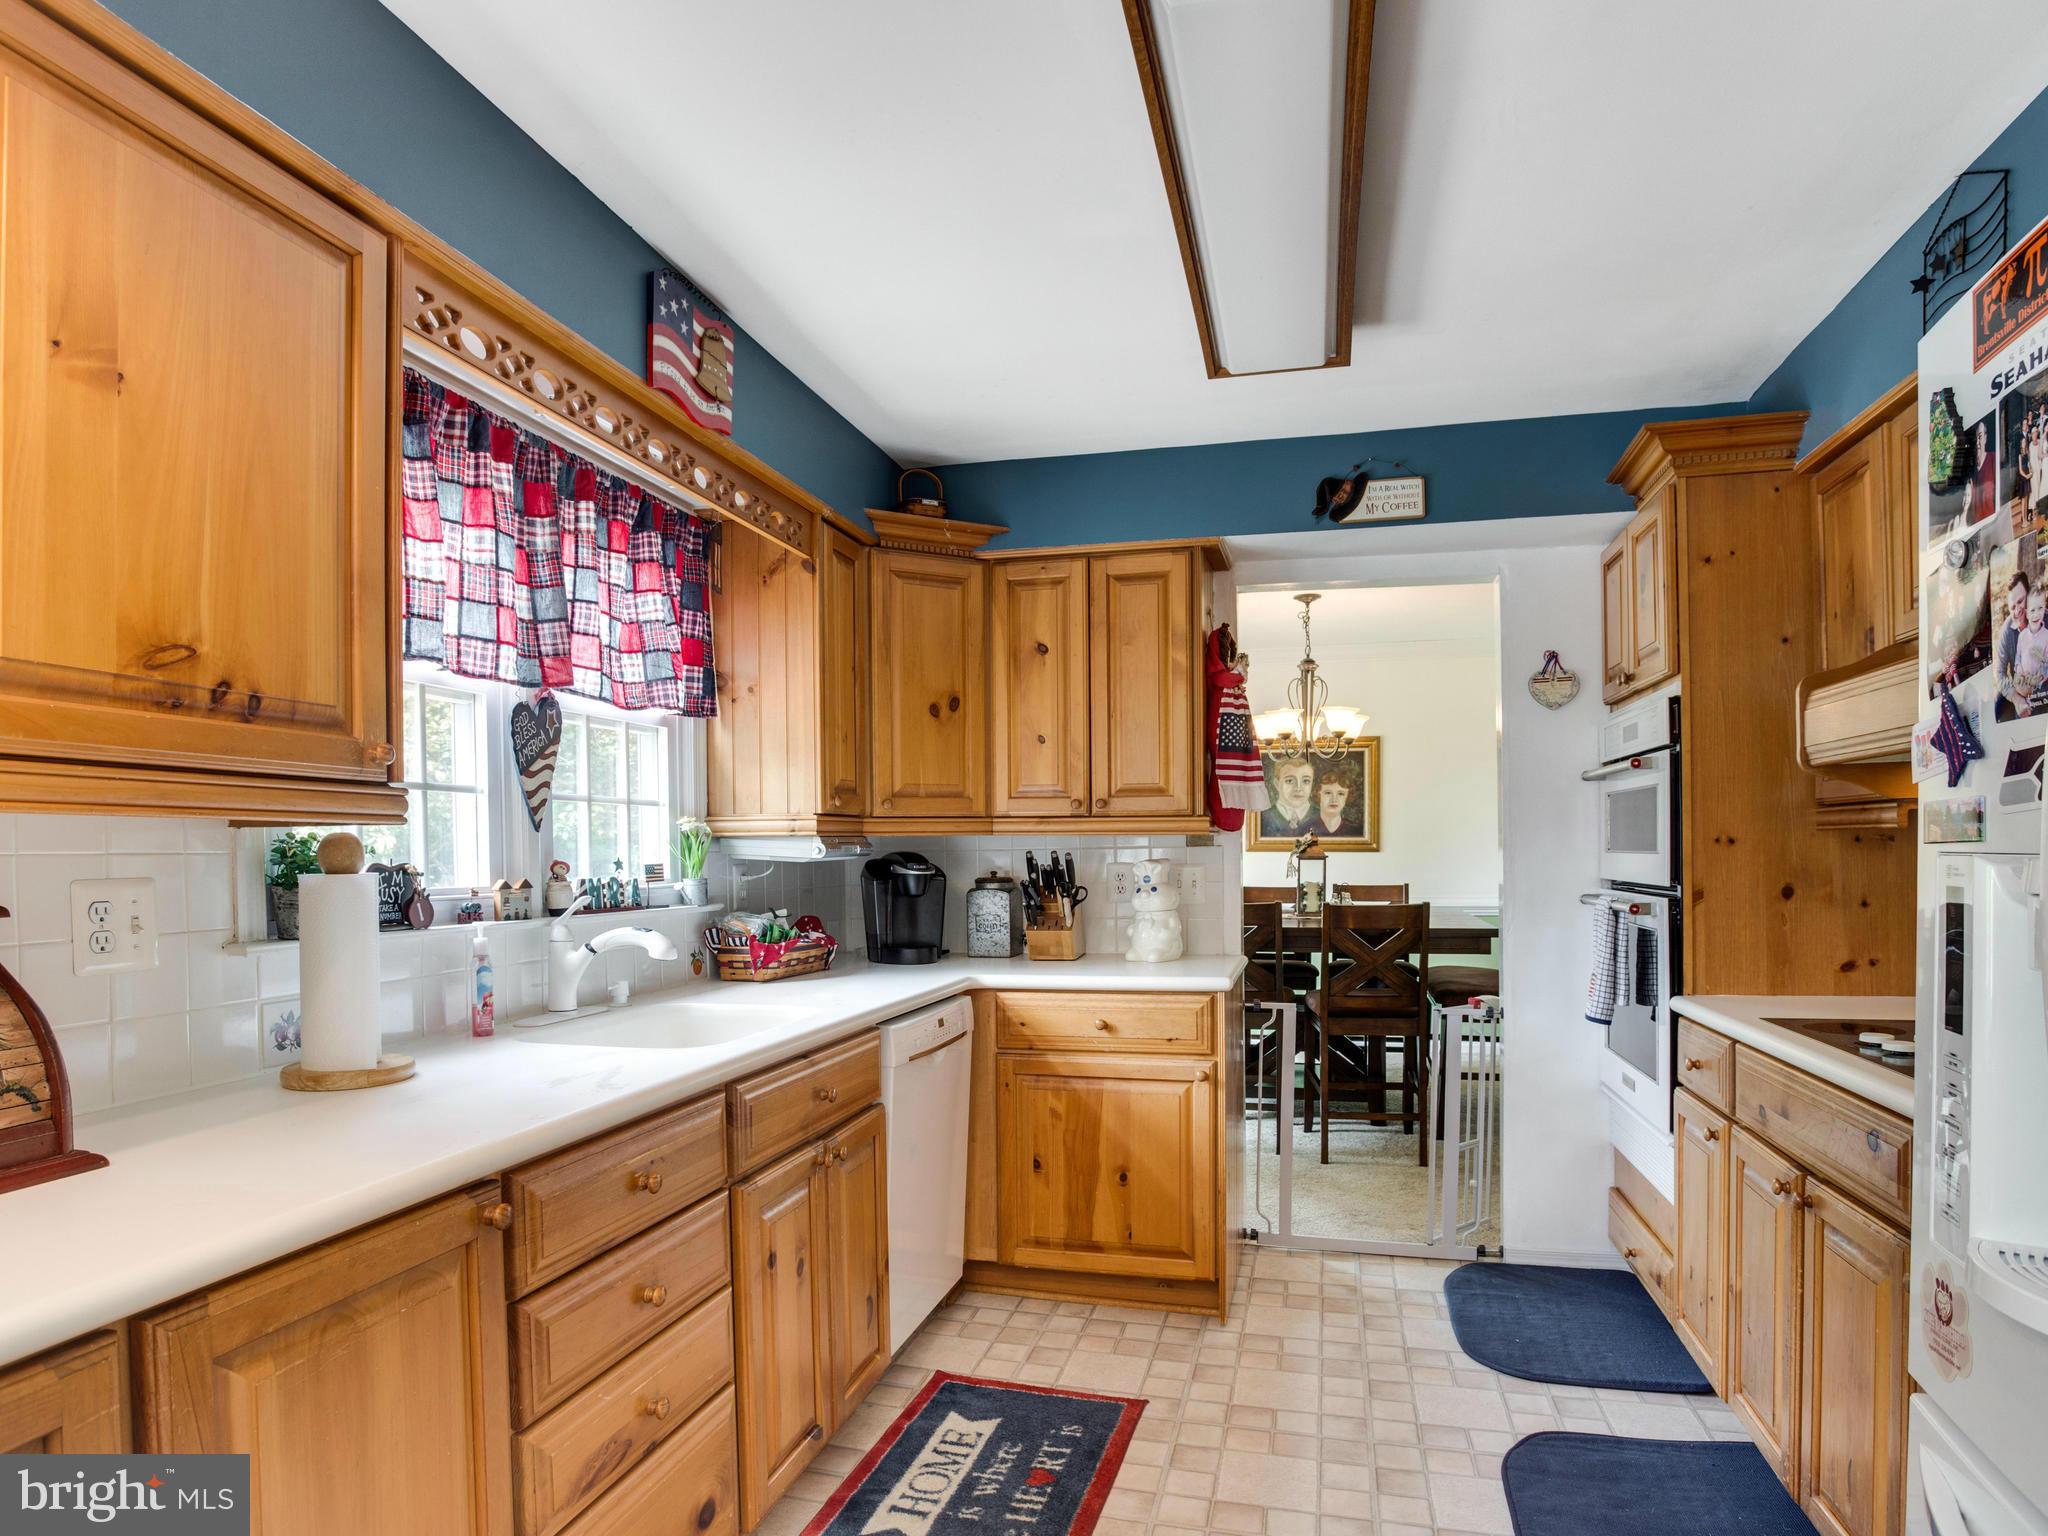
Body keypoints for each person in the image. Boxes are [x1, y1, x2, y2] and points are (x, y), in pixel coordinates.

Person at [1258, 757, 1317, 838]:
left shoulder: (1322, 816)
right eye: (1289, 781)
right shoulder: (1263, 818)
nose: (1298, 788)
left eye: (1306, 781)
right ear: (1277, 784)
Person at [1312, 771, 1365, 837]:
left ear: (1347, 797)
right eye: (1328, 793)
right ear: (1318, 794)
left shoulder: (1356, 831)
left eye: (1341, 794)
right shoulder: (1305, 829)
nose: (1334, 799)